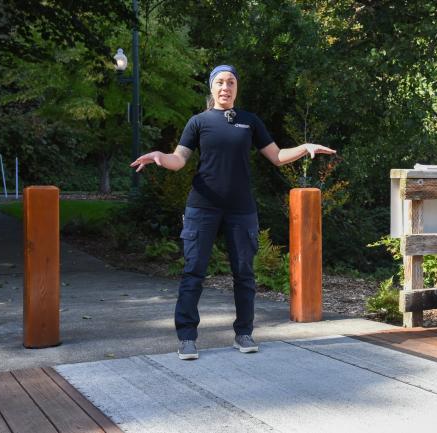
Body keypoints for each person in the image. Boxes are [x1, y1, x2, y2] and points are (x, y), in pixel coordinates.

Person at [130, 65, 335, 360]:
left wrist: (304, 147)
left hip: (241, 209)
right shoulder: (198, 122)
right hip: (202, 206)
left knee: (244, 274)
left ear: (237, 88)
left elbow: (277, 157)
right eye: (220, 82)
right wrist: (159, 157)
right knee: (193, 272)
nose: (225, 87)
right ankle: (187, 337)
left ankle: (244, 333)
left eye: (231, 82)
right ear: (212, 88)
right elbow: (179, 159)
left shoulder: (249, 122)